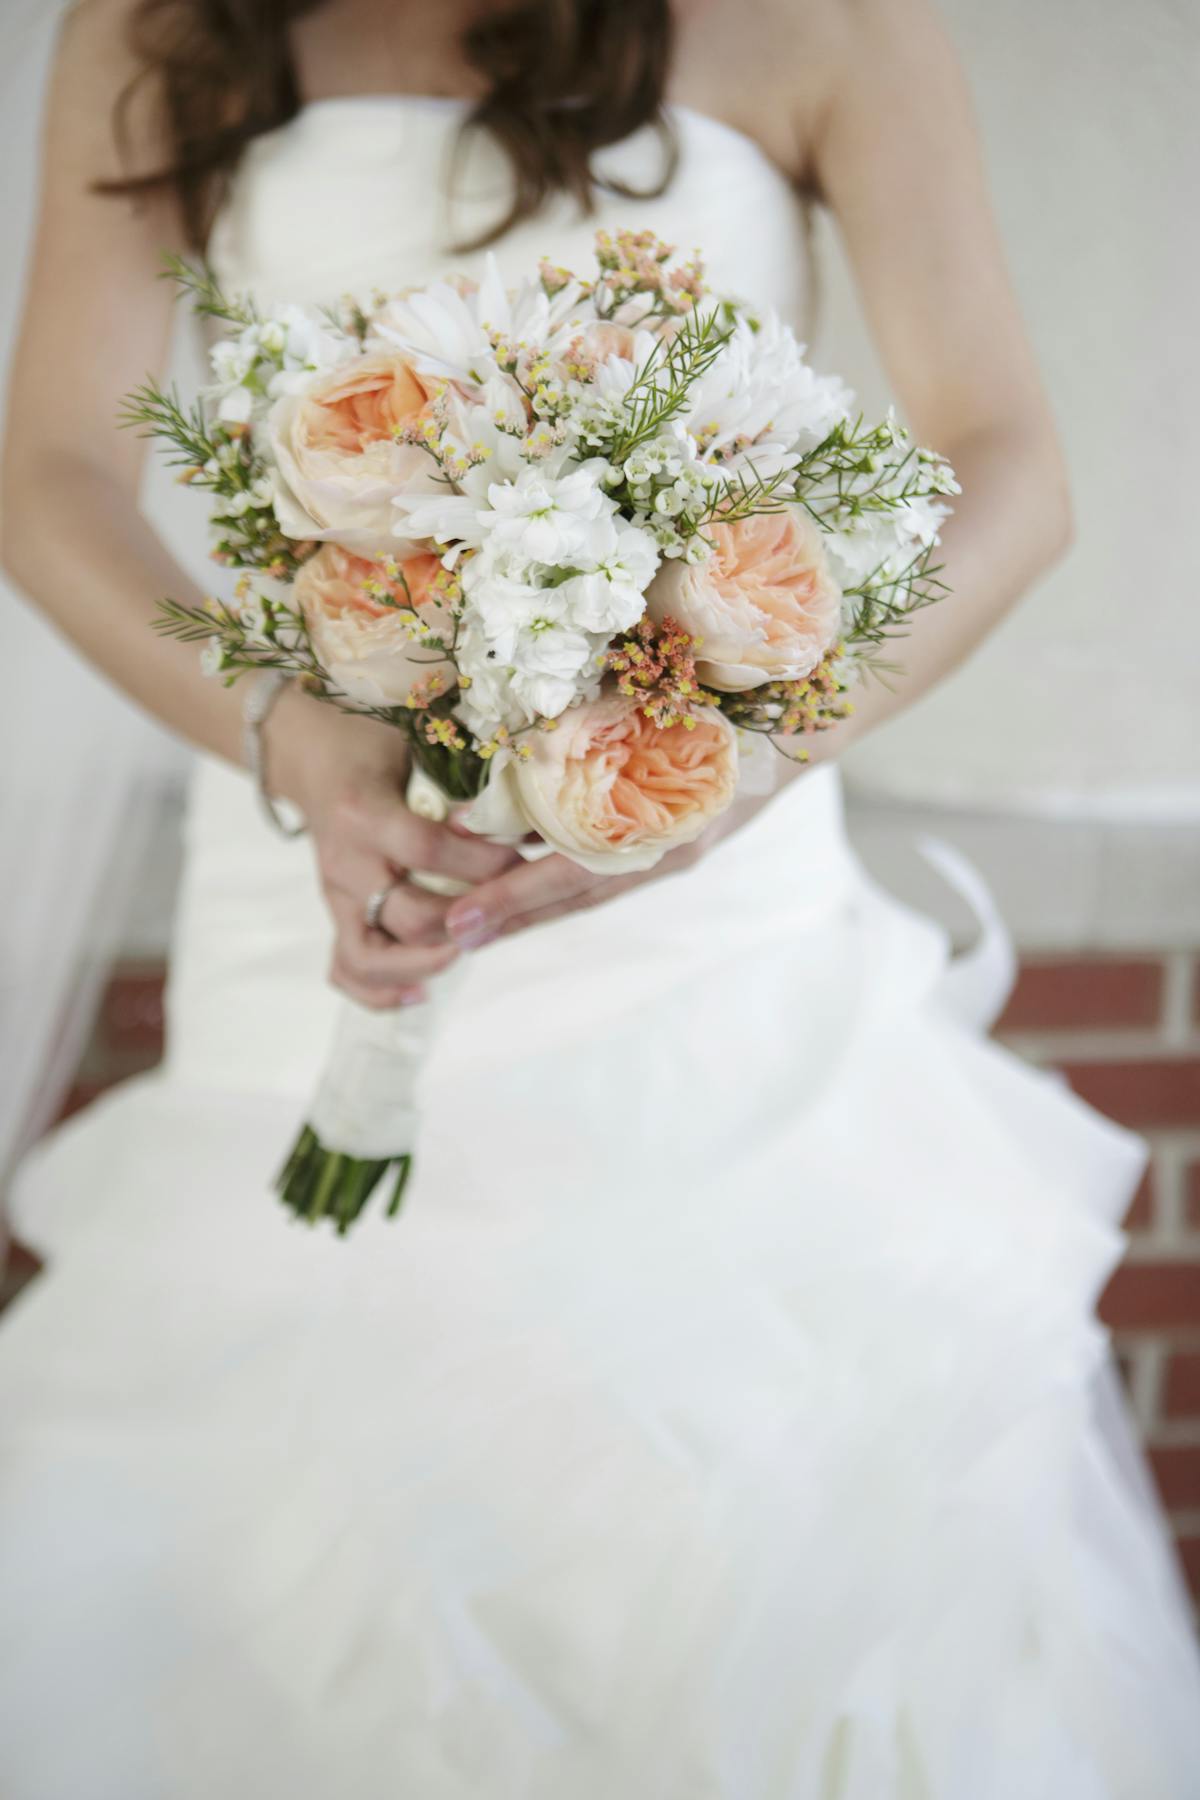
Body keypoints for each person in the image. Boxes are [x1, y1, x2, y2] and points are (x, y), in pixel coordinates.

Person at [1, 1, 1197, 1794]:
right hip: (305, 863)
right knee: (294, 1491)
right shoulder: (169, 23)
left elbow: (1009, 467)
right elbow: (52, 472)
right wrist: (290, 731)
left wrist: (748, 758)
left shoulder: (833, 23)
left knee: (753, 1493)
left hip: (713, 911)